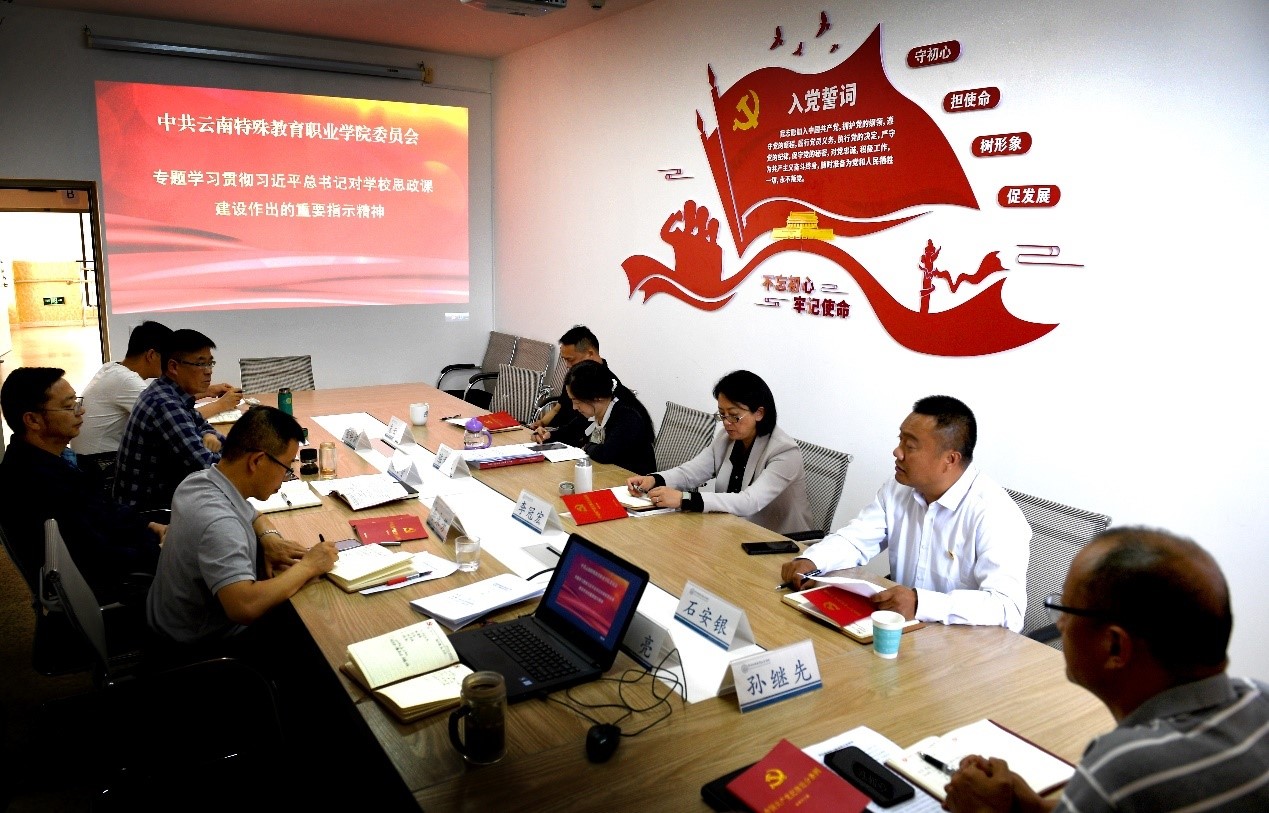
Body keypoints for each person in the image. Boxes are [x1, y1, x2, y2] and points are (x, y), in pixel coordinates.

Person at [943, 527, 1269, 812]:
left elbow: (1120, 794)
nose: (1060, 624)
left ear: (1114, 647)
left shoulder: (1121, 769)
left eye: (1066, 609)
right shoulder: (1260, 697)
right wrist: (1036, 808)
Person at [780, 395, 1030, 630]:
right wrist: (814, 561)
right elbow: (856, 539)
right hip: (900, 629)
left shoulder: (996, 515)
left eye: (909, 446)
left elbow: (1008, 608)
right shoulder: (898, 489)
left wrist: (921, 603)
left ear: (950, 459)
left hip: (963, 644)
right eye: (900, 440)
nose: (897, 452)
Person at [146, 405, 337, 647]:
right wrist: (309, 566)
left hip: (167, 618)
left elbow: (253, 515)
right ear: (257, 461)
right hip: (200, 645)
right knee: (321, 629)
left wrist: (270, 538)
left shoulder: (199, 481)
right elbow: (244, 607)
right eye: (287, 467)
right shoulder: (221, 524)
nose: (286, 476)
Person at [0, 367, 162, 603]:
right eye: (69, 406)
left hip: (120, 563)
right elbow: (97, 554)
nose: (80, 410)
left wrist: (148, 525)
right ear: (33, 420)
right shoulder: (36, 483)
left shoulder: (57, 460)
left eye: (77, 402)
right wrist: (159, 548)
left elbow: (103, 511)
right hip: (113, 590)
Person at [626, 369, 812, 533]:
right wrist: (654, 479)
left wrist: (685, 499)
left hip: (779, 541)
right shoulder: (726, 438)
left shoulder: (784, 452)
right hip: (733, 529)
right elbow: (691, 472)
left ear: (759, 413)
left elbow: (750, 502)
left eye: (734, 416)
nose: (727, 423)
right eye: (722, 414)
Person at [73, 320, 240, 458]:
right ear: (152, 355)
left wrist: (207, 391)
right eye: (168, 356)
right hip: (101, 463)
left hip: (93, 456)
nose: (208, 370)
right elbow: (176, 416)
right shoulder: (128, 382)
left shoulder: (113, 368)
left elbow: (180, 409)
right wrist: (221, 404)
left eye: (209, 363)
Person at [114, 328, 229, 512]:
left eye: (210, 363)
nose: (209, 372)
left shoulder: (170, 393)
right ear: (173, 367)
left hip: (167, 501)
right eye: (201, 364)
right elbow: (209, 466)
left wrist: (208, 434)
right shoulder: (164, 403)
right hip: (148, 516)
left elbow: (202, 425)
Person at [556, 359, 656, 475]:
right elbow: (572, 430)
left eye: (577, 401)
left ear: (597, 397)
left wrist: (587, 446)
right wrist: (548, 435)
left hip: (630, 480)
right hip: (605, 474)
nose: (574, 407)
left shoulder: (627, 417)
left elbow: (605, 453)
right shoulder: (594, 412)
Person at [530, 325, 621, 447]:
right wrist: (543, 426)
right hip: (564, 436)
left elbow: (583, 427)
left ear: (590, 353)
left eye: (571, 360)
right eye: (564, 360)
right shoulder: (574, 377)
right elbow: (559, 408)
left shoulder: (609, 386)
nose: (567, 365)